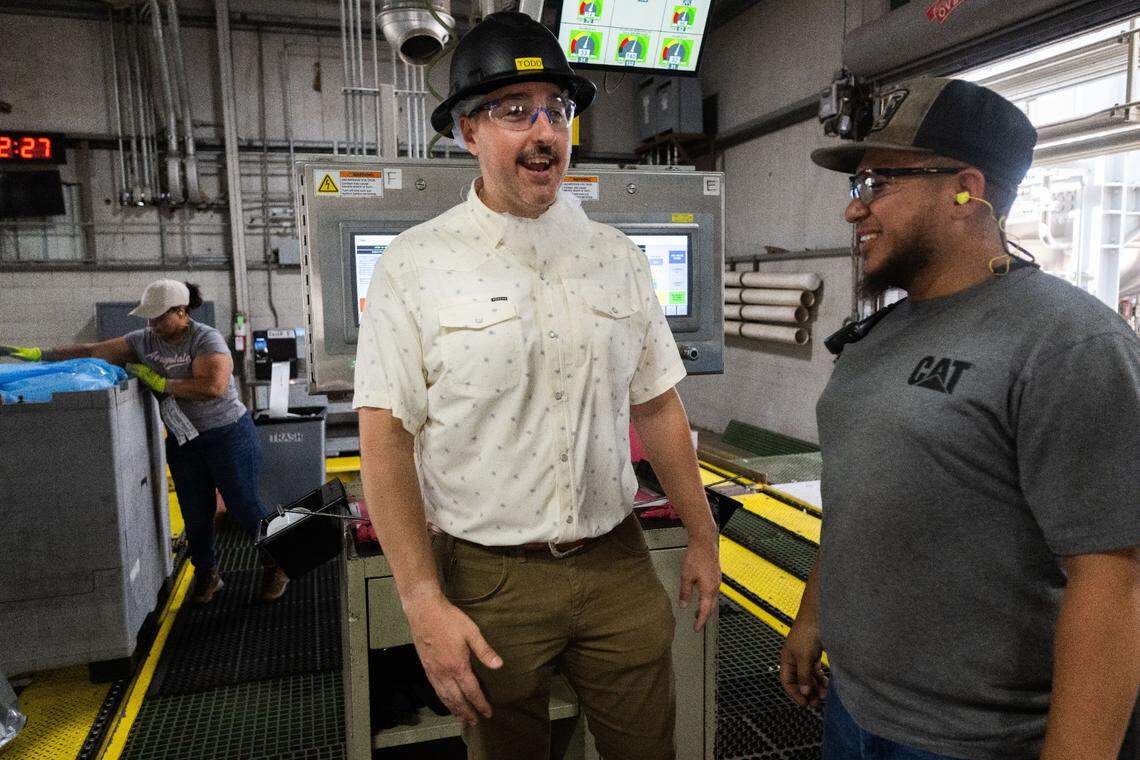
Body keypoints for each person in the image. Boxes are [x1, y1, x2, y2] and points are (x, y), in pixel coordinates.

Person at [353, 12, 720, 760]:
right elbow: (385, 441)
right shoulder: (416, 266)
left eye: (557, 110)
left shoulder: (615, 256)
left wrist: (704, 533)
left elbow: (655, 402)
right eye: (515, 112)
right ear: (467, 133)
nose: (543, 131)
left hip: (617, 562)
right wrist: (422, 601)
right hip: (489, 577)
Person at [780, 76, 1140, 759]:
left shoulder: (1066, 343)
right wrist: (812, 615)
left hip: (977, 741)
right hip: (853, 709)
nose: (854, 213)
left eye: (876, 185)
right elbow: (859, 496)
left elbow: (1112, 579)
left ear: (965, 189)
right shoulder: (876, 336)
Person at [1, 279, 288, 604]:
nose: (151, 324)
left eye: (158, 317)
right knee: (195, 513)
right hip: (184, 440)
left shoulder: (205, 339)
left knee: (244, 505)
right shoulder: (144, 340)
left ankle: (277, 562)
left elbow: (213, 387)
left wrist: (163, 383)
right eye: (148, 318)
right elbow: (93, 351)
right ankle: (207, 574)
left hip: (227, 434)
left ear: (181, 311)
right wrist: (42, 355)